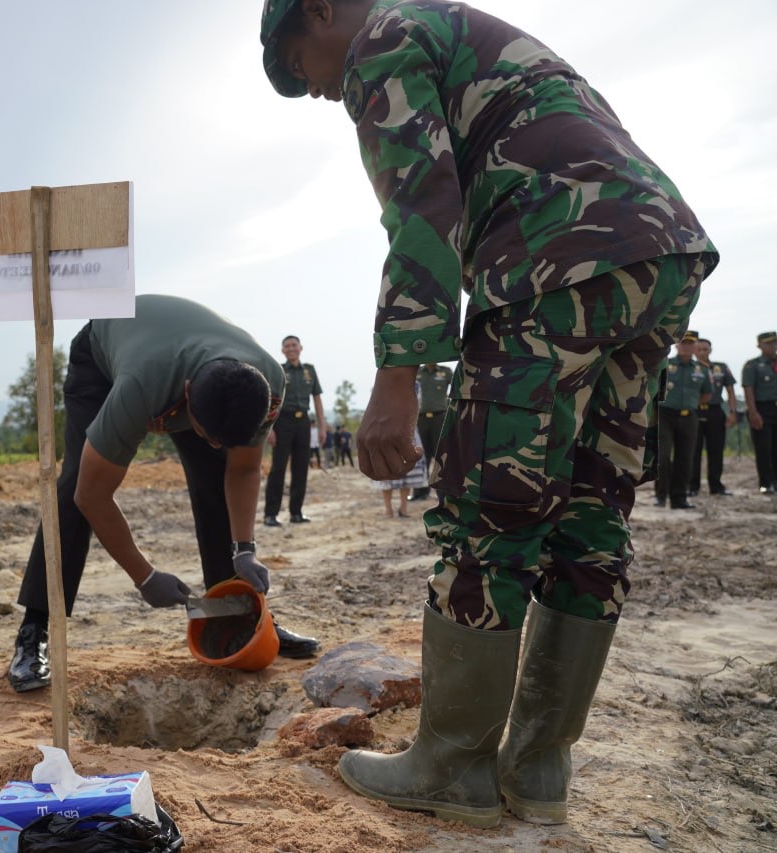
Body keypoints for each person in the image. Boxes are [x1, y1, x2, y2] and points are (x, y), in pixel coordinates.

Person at [261, 0, 717, 828]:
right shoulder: (454, 26)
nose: (317, 90)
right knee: (590, 509)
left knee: (489, 507)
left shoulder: (383, 39)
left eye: (302, 66)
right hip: (656, 253)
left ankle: (455, 765)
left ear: (322, 12)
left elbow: (423, 206)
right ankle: (538, 767)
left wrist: (398, 375)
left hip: (554, 255)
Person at [7, 295, 321, 694]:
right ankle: (34, 631)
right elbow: (93, 495)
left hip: (182, 357)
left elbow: (241, 469)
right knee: (72, 489)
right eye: (205, 434)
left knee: (215, 474)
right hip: (104, 353)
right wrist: (145, 576)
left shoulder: (267, 383)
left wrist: (244, 549)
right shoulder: (141, 387)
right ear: (187, 395)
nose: (210, 444)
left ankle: (237, 616)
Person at [263, 335, 326, 526]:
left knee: (301, 468)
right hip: (282, 422)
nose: (291, 349)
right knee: (278, 468)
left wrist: (322, 427)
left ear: (300, 348)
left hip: (304, 422)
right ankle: (270, 514)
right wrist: (269, 428)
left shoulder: (310, 370)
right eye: (287, 346)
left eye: (294, 345)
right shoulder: (279, 371)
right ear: (282, 351)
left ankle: (296, 513)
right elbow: (270, 400)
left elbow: (317, 398)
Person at [654, 332, 712, 509]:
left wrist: (690, 404)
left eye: (690, 344)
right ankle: (661, 496)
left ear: (695, 347)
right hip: (665, 415)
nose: (686, 346)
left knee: (685, 458)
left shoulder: (702, 369)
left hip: (689, 417)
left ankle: (679, 498)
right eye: (683, 343)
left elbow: (707, 394)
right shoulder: (666, 364)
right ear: (677, 345)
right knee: (663, 456)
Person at [690, 337, 738, 497]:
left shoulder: (721, 368)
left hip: (715, 411)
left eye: (706, 349)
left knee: (716, 450)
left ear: (710, 350)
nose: (703, 352)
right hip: (694, 411)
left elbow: (731, 391)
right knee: (693, 450)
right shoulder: (690, 367)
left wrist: (732, 412)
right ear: (694, 351)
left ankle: (716, 486)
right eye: (699, 349)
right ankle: (692, 486)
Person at [409, 362, 451, 502]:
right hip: (420, 419)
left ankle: (444, 493)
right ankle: (420, 492)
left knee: (442, 456)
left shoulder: (446, 372)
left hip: (440, 418)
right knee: (421, 457)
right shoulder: (417, 372)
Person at [742, 331, 777, 494]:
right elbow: (749, 389)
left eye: (775, 343)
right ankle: (765, 483)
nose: (773, 346)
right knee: (764, 448)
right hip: (762, 409)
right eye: (769, 343)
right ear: (760, 345)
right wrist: (753, 412)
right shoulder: (753, 365)